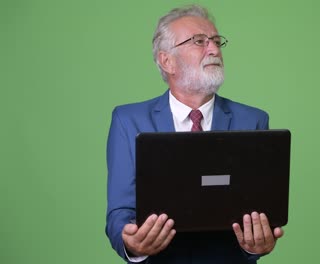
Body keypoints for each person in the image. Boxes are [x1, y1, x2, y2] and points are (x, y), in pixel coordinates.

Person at [106, 4, 284, 264]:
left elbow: (260, 214)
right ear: (166, 61)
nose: (213, 49)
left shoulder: (254, 120)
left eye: (216, 41)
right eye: (199, 41)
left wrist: (256, 246)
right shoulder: (128, 121)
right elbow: (120, 212)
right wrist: (131, 243)